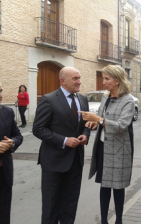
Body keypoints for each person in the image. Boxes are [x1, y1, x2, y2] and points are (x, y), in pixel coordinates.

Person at [32, 67, 90, 224]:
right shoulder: (48, 99)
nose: (79, 81)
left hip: (75, 162)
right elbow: (38, 129)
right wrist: (64, 140)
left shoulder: (83, 99)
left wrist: (85, 134)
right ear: (62, 81)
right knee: (51, 208)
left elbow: (86, 124)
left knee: (70, 206)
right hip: (53, 163)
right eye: (75, 78)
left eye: (79, 77)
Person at [79, 65, 134, 224]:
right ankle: (103, 220)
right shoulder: (105, 97)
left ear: (117, 80)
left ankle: (119, 220)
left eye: (107, 79)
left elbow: (122, 126)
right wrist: (94, 123)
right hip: (103, 147)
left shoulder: (128, 100)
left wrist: (98, 120)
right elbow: (102, 119)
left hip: (119, 150)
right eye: (103, 78)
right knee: (104, 186)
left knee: (118, 187)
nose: (103, 82)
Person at [0, 82, 23, 224]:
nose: (0, 95)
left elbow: (18, 135)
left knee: (3, 214)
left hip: (4, 173)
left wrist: (12, 142)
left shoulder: (7, 112)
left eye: (0, 90)